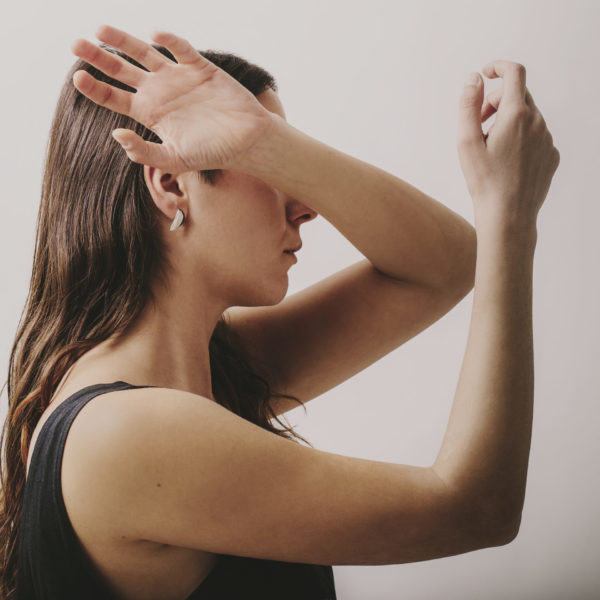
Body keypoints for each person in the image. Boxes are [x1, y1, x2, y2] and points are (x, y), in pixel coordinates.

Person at [0, 24, 559, 600]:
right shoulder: (127, 431)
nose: (307, 207)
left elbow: (444, 266)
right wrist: (509, 215)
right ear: (171, 185)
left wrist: (267, 143)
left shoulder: (205, 369)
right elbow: (476, 507)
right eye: (267, 170)